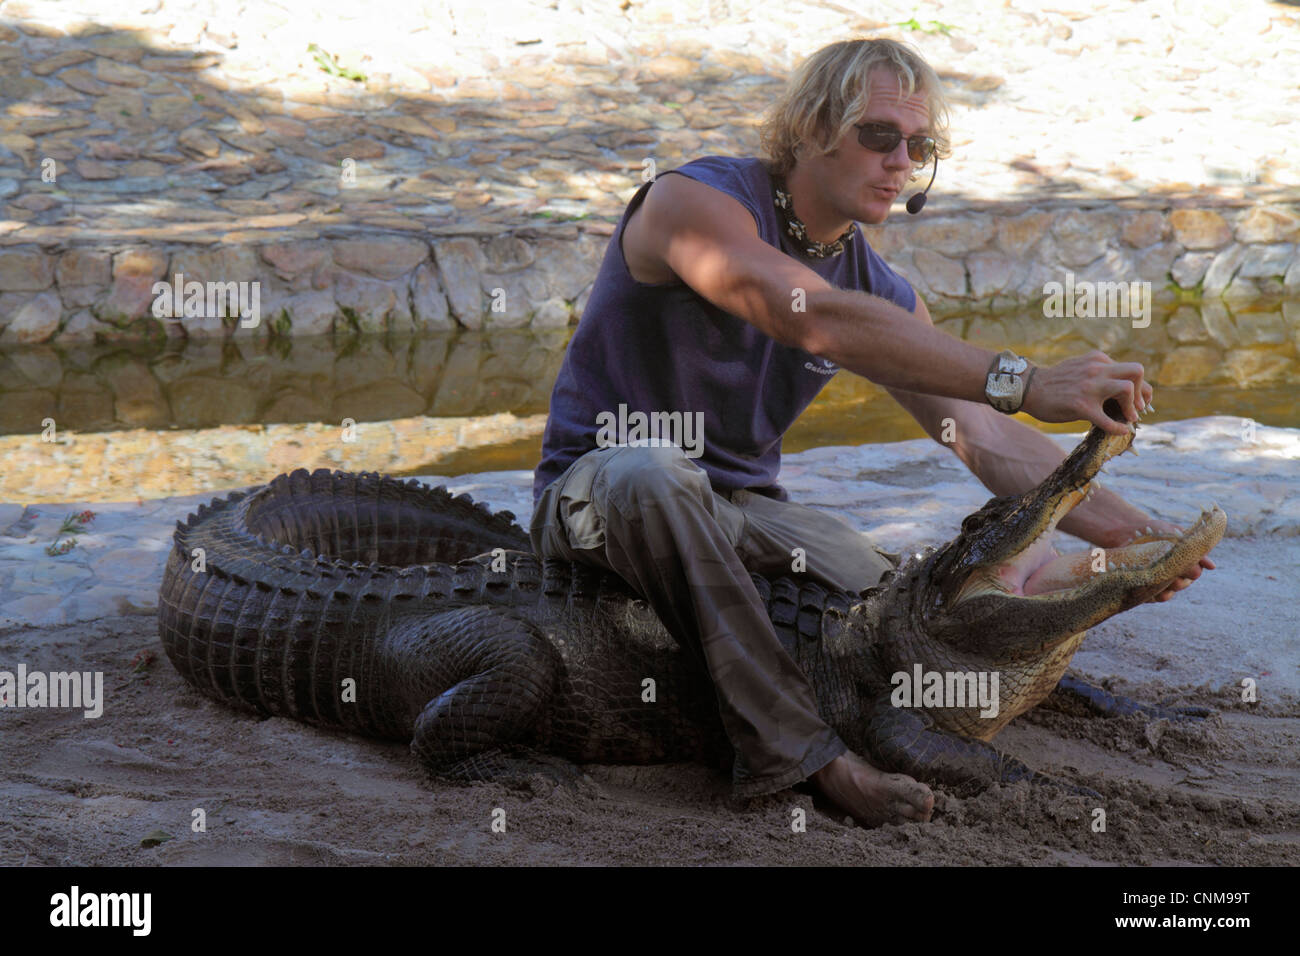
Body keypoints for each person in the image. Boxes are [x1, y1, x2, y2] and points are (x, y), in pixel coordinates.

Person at [528, 38, 1214, 826]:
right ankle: (805, 758)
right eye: (880, 135)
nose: (902, 162)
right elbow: (809, 316)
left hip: (747, 511)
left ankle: (1053, 697)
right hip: (603, 489)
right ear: (813, 126)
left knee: (904, 609)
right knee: (652, 473)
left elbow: (984, 439)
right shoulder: (694, 201)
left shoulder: (879, 288)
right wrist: (1028, 379)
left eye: (921, 146)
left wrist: (1140, 542)